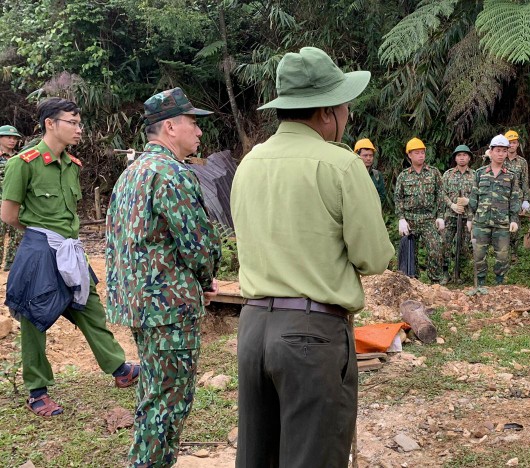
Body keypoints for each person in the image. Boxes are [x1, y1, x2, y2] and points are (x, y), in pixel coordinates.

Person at [231, 47, 394, 467]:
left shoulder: (249, 163)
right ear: (325, 112)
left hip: (252, 330)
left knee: (258, 455)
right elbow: (373, 256)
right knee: (314, 457)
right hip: (312, 334)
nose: (347, 114)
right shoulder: (340, 165)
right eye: (344, 105)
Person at [1, 98, 139, 417]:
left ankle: (120, 369)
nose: (79, 129)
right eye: (72, 123)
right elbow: (8, 214)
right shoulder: (23, 163)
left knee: (89, 307)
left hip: (71, 248)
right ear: (51, 123)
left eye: (79, 123)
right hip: (40, 249)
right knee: (35, 318)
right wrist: (41, 233)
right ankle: (37, 391)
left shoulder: (71, 165)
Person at [105, 88, 221, 467]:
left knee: (155, 395)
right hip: (169, 309)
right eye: (193, 123)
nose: (199, 132)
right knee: (169, 403)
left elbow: (119, 245)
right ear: (170, 127)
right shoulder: (171, 173)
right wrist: (206, 281)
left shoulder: (131, 173)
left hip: (142, 307)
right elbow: (198, 243)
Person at [468, 135, 521, 291]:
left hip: (502, 222)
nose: (501, 154)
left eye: (504, 151)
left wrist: (514, 219)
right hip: (481, 222)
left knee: (503, 255)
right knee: (478, 255)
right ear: (490, 152)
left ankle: (499, 283)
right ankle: (481, 283)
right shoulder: (479, 173)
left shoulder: (511, 176)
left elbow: (514, 198)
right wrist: (470, 219)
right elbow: (473, 197)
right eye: (497, 150)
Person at [395, 137, 446, 283]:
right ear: (409, 155)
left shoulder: (434, 173)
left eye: (423, 152)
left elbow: (440, 195)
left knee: (435, 249)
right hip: (410, 219)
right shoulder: (404, 176)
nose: (421, 155)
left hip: (428, 217)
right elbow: (398, 198)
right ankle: (413, 281)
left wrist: (440, 216)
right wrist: (401, 219)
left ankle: (435, 282)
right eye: (417, 153)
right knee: (410, 253)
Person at [441, 144, 475, 284]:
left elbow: (479, 195)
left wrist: (469, 201)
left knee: (464, 245)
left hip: (467, 216)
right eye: (459, 155)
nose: (462, 158)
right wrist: (452, 205)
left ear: (469, 158)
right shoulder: (448, 174)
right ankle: (445, 272)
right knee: (445, 243)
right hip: (451, 215)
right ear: (455, 158)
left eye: (465, 155)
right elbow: (442, 193)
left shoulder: (474, 175)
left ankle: (459, 273)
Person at [503, 130, 530, 261]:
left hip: (516, 197)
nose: (511, 145)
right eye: (509, 143)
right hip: (502, 196)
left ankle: (514, 253)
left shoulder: (522, 162)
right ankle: (503, 252)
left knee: (515, 225)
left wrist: (526, 200)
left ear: (517, 144)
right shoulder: (500, 159)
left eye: (513, 143)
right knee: (502, 225)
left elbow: (525, 182)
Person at [0, 124, 23, 270]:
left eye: (15, 138)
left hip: (15, 201)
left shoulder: (19, 157)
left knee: (17, 233)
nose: (12, 140)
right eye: (8, 137)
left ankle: (11, 264)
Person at [354, 138, 387, 206]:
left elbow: (382, 196)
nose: (368, 158)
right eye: (365, 155)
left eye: (371, 155)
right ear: (357, 156)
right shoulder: (351, 174)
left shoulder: (376, 175)